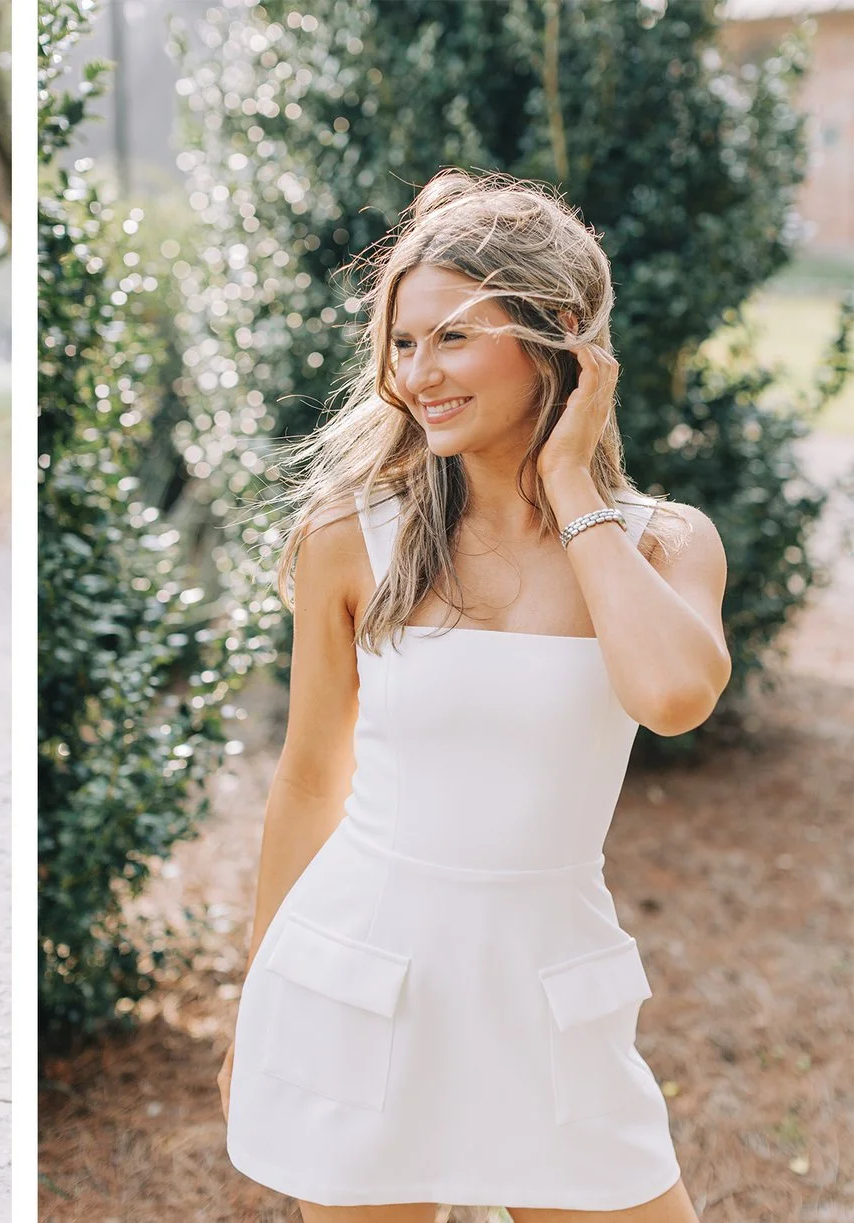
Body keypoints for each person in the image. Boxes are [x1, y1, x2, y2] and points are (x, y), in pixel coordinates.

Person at [220, 171, 729, 1221]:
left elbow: (674, 695)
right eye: (403, 343)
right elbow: (310, 778)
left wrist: (574, 483)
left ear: (559, 340)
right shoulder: (349, 535)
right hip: (361, 985)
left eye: (451, 337)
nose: (417, 375)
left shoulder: (662, 543)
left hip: (549, 995)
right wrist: (255, 1001)